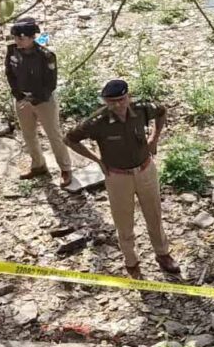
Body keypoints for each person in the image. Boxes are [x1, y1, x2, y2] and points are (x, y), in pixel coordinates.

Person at [64, 80, 178, 279]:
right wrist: (97, 160)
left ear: (128, 97)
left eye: (121, 99)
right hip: (118, 177)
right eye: (112, 101)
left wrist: (154, 138)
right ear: (105, 102)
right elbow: (70, 139)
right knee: (124, 222)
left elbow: (161, 111)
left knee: (154, 215)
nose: (117, 105)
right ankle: (131, 262)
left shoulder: (141, 109)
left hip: (145, 170)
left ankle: (163, 254)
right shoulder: (98, 121)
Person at [5, 17, 72, 187]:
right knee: (28, 134)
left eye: (21, 38)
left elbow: (50, 84)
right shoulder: (12, 51)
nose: (17, 41)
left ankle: (65, 168)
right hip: (22, 100)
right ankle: (38, 165)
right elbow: (10, 74)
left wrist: (34, 99)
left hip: (43, 101)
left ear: (31, 37)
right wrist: (19, 95)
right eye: (15, 37)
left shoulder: (46, 55)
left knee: (54, 135)